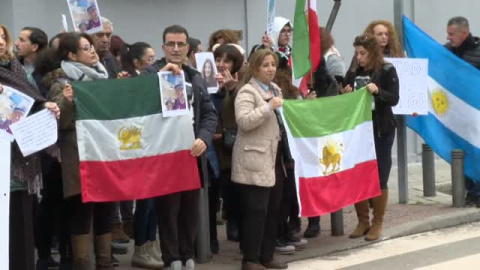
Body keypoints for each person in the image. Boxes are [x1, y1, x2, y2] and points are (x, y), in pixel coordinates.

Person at [145, 24, 217, 270]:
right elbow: (139, 105)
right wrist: (159, 78)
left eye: (180, 44)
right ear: (163, 47)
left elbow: (209, 113)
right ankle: (171, 257)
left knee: (190, 208)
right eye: (171, 44)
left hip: (192, 151)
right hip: (165, 153)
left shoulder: (195, 76)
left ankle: (188, 254)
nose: (176, 49)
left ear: (188, 47)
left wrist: (204, 138)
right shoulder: (150, 73)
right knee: (168, 209)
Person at [48, 32, 113, 269]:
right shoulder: (61, 82)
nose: (93, 51)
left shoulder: (104, 77)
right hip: (78, 155)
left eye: (92, 47)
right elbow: (60, 123)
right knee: (82, 210)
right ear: (72, 55)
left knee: (106, 207)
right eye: (86, 48)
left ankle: (105, 261)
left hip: (104, 151)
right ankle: (82, 263)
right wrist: (66, 102)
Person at [0, 24, 60, 270]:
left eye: (3, 37)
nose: (1, 42)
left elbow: (32, 102)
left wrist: (48, 107)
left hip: (18, 162)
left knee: (20, 225)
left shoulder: (16, 70)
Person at [232, 49, 288, 270]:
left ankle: (267, 255)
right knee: (256, 211)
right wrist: (268, 107)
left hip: (274, 158)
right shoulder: (247, 91)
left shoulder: (275, 89)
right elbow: (244, 121)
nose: (271, 69)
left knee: (273, 209)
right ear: (255, 68)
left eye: (273, 64)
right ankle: (250, 259)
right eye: (265, 65)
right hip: (254, 159)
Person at [343, 34, 399, 241]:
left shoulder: (386, 70)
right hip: (359, 130)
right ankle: (362, 220)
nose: (358, 57)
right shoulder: (353, 72)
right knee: (359, 174)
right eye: (356, 53)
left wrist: (378, 91)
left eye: (362, 53)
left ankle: (377, 223)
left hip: (381, 128)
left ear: (373, 53)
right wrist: (346, 93)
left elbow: (394, 98)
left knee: (379, 175)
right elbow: (345, 100)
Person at [117, 41, 163, 269]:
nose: (153, 64)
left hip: (155, 145)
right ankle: (140, 248)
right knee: (145, 202)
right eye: (149, 59)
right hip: (138, 147)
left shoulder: (154, 81)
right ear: (136, 63)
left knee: (155, 202)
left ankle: (151, 243)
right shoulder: (130, 82)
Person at [302, 27, 346, 238]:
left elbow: (333, 101)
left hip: (322, 132)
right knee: (307, 177)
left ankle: (324, 218)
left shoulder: (326, 74)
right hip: (303, 134)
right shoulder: (295, 70)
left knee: (325, 174)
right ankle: (311, 220)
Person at [444, 16, 480, 205]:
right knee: (458, 153)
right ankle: (471, 191)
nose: (448, 37)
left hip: (476, 115)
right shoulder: (445, 52)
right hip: (454, 115)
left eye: (451, 34)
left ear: (464, 33)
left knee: (476, 152)